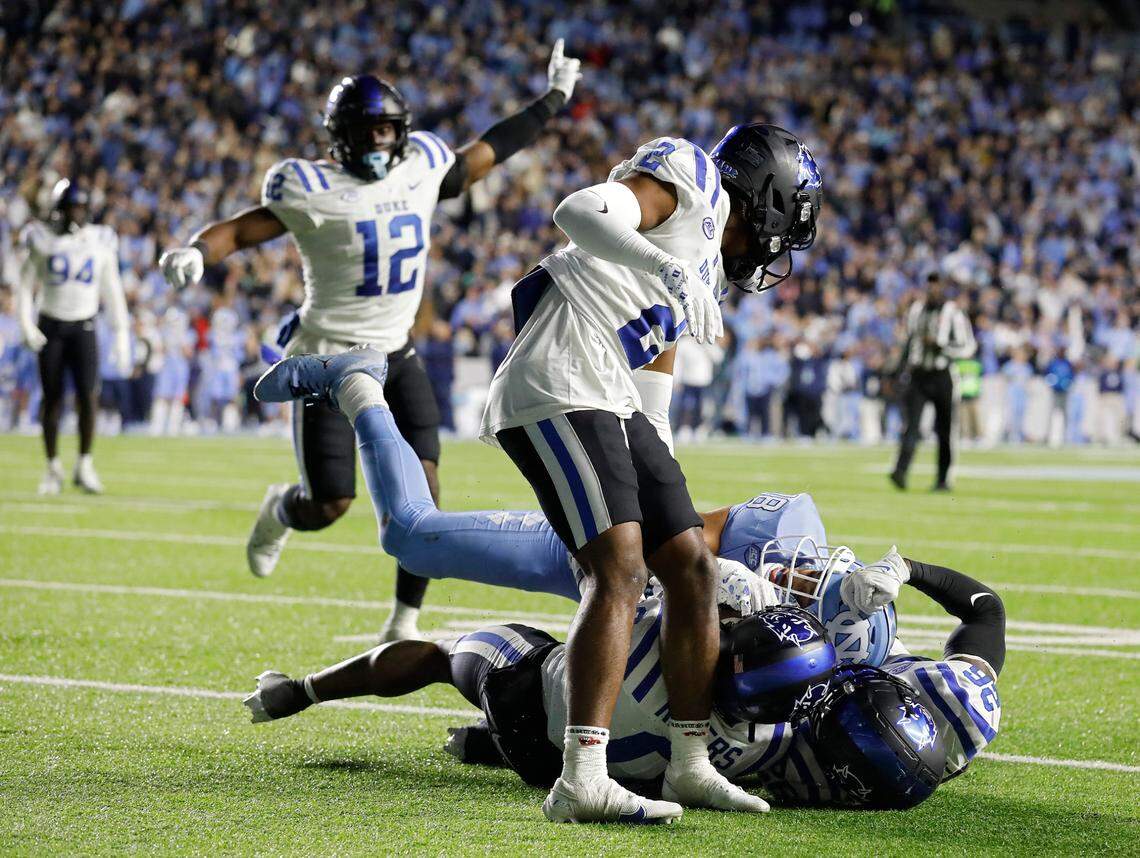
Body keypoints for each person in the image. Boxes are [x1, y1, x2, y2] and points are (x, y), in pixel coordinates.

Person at [158, 44, 582, 642]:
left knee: (427, 496)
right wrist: (197, 251)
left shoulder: (422, 165)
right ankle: (283, 510)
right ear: (342, 136)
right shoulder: (309, 187)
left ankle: (403, 621)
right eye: (370, 130)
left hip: (396, 352)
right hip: (327, 362)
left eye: (390, 128)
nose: (382, 141)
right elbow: (242, 228)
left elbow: (485, 153)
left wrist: (553, 99)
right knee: (329, 504)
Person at [477, 123, 821, 821]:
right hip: (559, 380)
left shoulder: (711, 270)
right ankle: (583, 777)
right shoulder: (690, 178)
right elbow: (579, 211)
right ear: (765, 198)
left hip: (611, 392)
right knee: (622, 570)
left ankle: (690, 764)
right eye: (783, 222)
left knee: (691, 564)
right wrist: (665, 267)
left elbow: (653, 391)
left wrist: (667, 494)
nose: (777, 247)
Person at [251, 349, 896, 669]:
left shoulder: (800, 650)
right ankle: (357, 387)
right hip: (591, 542)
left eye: (808, 589)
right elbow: (685, 536)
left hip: (614, 592)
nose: (799, 578)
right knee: (412, 537)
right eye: (812, 576)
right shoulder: (778, 539)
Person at [16, 179, 131, 495]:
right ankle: (52, 467)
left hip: (85, 326)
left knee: (88, 398)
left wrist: (122, 335)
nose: (75, 215)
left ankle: (84, 463)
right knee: (51, 399)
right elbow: (24, 287)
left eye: (80, 208)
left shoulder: (100, 241)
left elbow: (113, 290)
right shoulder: (41, 239)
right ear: (58, 211)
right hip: (51, 326)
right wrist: (26, 324)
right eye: (70, 208)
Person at [890, 272, 976, 491]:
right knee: (911, 425)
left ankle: (943, 479)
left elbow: (969, 346)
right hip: (919, 375)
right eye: (930, 287)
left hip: (942, 374)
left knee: (945, 429)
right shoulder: (916, 310)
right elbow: (909, 342)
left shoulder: (953, 313)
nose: (933, 291)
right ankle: (900, 472)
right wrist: (900, 370)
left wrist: (942, 347)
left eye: (937, 287)